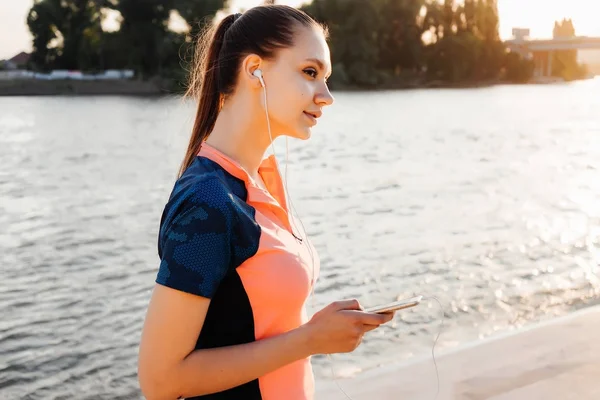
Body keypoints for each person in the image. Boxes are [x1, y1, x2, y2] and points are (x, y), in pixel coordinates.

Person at [137, 5, 394, 400]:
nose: (326, 97)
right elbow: (161, 381)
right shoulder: (208, 200)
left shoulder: (263, 178)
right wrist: (310, 339)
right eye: (310, 73)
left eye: (325, 78)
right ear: (255, 69)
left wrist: (321, 330)